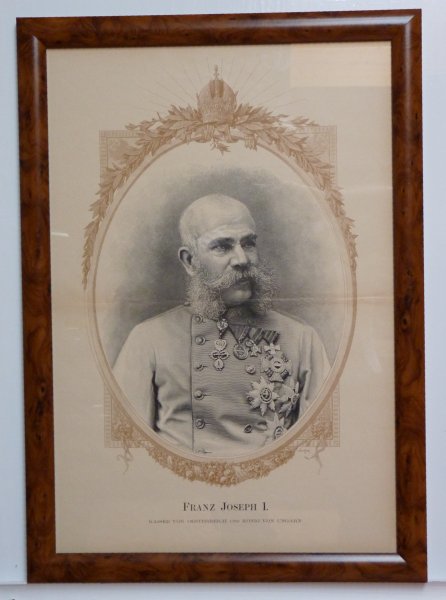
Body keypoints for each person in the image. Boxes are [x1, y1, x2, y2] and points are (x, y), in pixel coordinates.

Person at [113, 194, 330, 457]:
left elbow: (319, 452)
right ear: (190, 261)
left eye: (248, 243)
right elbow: (127, 450)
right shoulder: (147, 340)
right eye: (222, 247)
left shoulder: (302, 339)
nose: (242, 259)